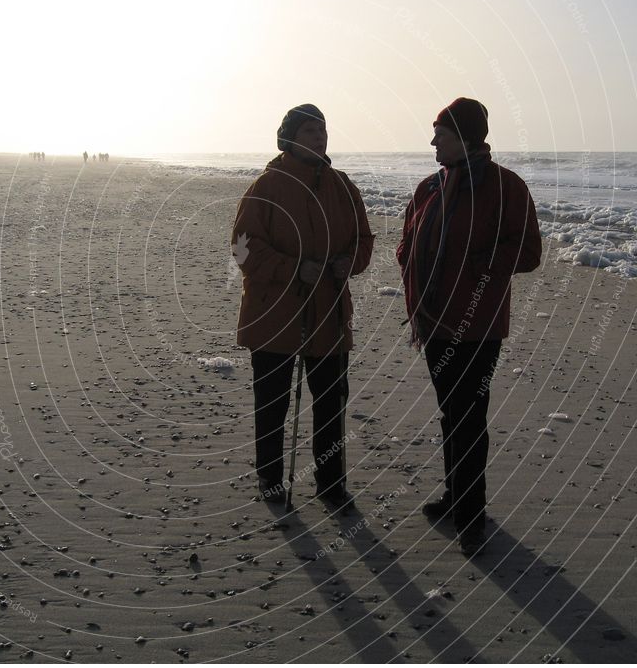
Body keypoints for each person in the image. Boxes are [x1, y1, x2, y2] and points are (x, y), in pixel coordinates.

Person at [397, 97, 542, 556]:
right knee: (451, 413)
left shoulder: (506, 188)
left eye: (440, 133)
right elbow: (407, 242)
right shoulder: (428, 189)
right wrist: (410, 266)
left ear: (465, 138)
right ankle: (456, 493)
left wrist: (480, 265)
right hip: (434, 321)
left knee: (469, 416)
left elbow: (529, 252)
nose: (433, 141)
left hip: (478, 324)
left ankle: (472, 515)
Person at [232, 104, 374, 508]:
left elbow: (364, 240)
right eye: (310, 130)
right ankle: (270, 479)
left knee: (331, 404)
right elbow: (243, 249)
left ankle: (331, 484)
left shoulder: (343, 185)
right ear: (290, 137)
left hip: (329, 314)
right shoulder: (266, 186)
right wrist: (295, 269)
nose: (320, 136)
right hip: (273, 315)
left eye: (323, 129)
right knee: (272, 402)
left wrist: (351, 262)